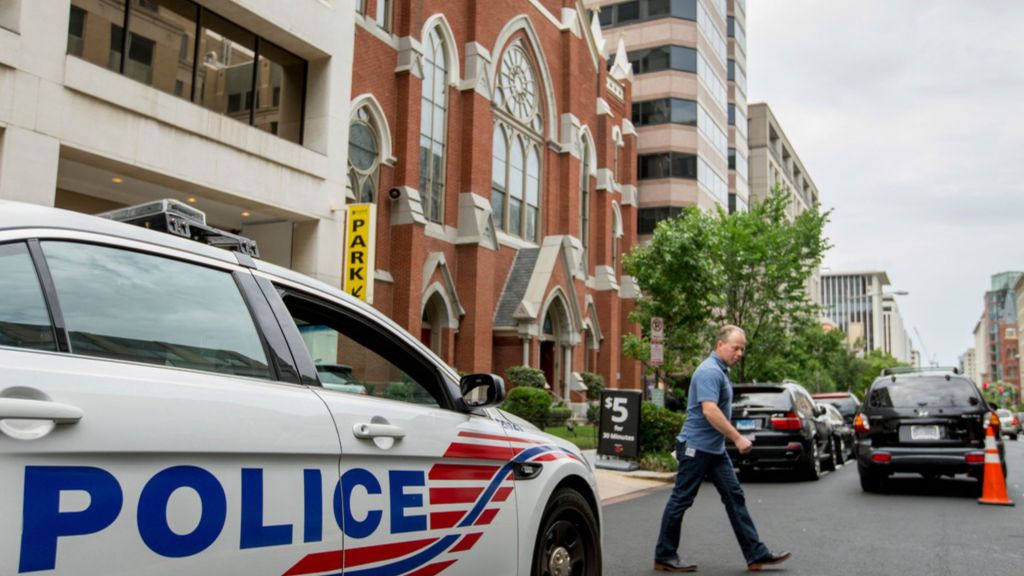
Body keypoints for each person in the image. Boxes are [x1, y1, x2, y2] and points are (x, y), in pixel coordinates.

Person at [654, 325, 791, 573]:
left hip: (714, 450)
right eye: (735, 347)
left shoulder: (721, 370)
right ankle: (664, 555)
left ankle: (755, 554)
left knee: (734, 497)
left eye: (743, 349)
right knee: (681, 500)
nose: (739, 353)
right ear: (720, 345)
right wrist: (737, 438)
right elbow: (710, 411)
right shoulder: (709, 371)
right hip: (696, 447)